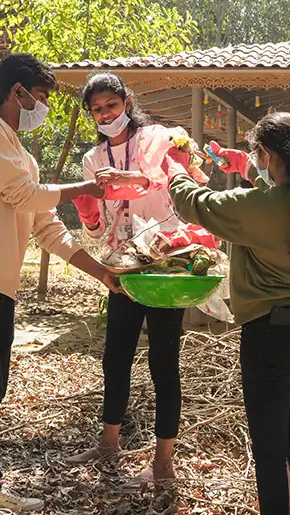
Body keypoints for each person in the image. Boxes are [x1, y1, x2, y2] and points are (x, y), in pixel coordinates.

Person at [0, 53, 120, 515]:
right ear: (16, 92)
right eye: (39, 97)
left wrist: (104, 275)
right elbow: (20, 195)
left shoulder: (22, 155)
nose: (42, 108)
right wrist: (88, 188)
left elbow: (46, 227)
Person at [165, 112, 290, 515]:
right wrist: (244, 164)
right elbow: (273, 186)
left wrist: (178, 171)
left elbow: (196, 204)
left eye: (257, 154)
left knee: (270, 450)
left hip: (272, 336)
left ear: (268, 153)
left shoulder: (260, 205)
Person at [67, 72, 186, 488]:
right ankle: (108, 442)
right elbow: (98, 231)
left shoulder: (157, 140)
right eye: (97, 110)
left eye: (111, 106)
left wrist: (135, 181)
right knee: (115, 356)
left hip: (166, 263)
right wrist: (88, 214)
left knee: (163, 363)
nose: (106, 114)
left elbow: (177, 180)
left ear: (126, 103)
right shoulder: (92, 160)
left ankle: (163, 461)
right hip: (123, 268)